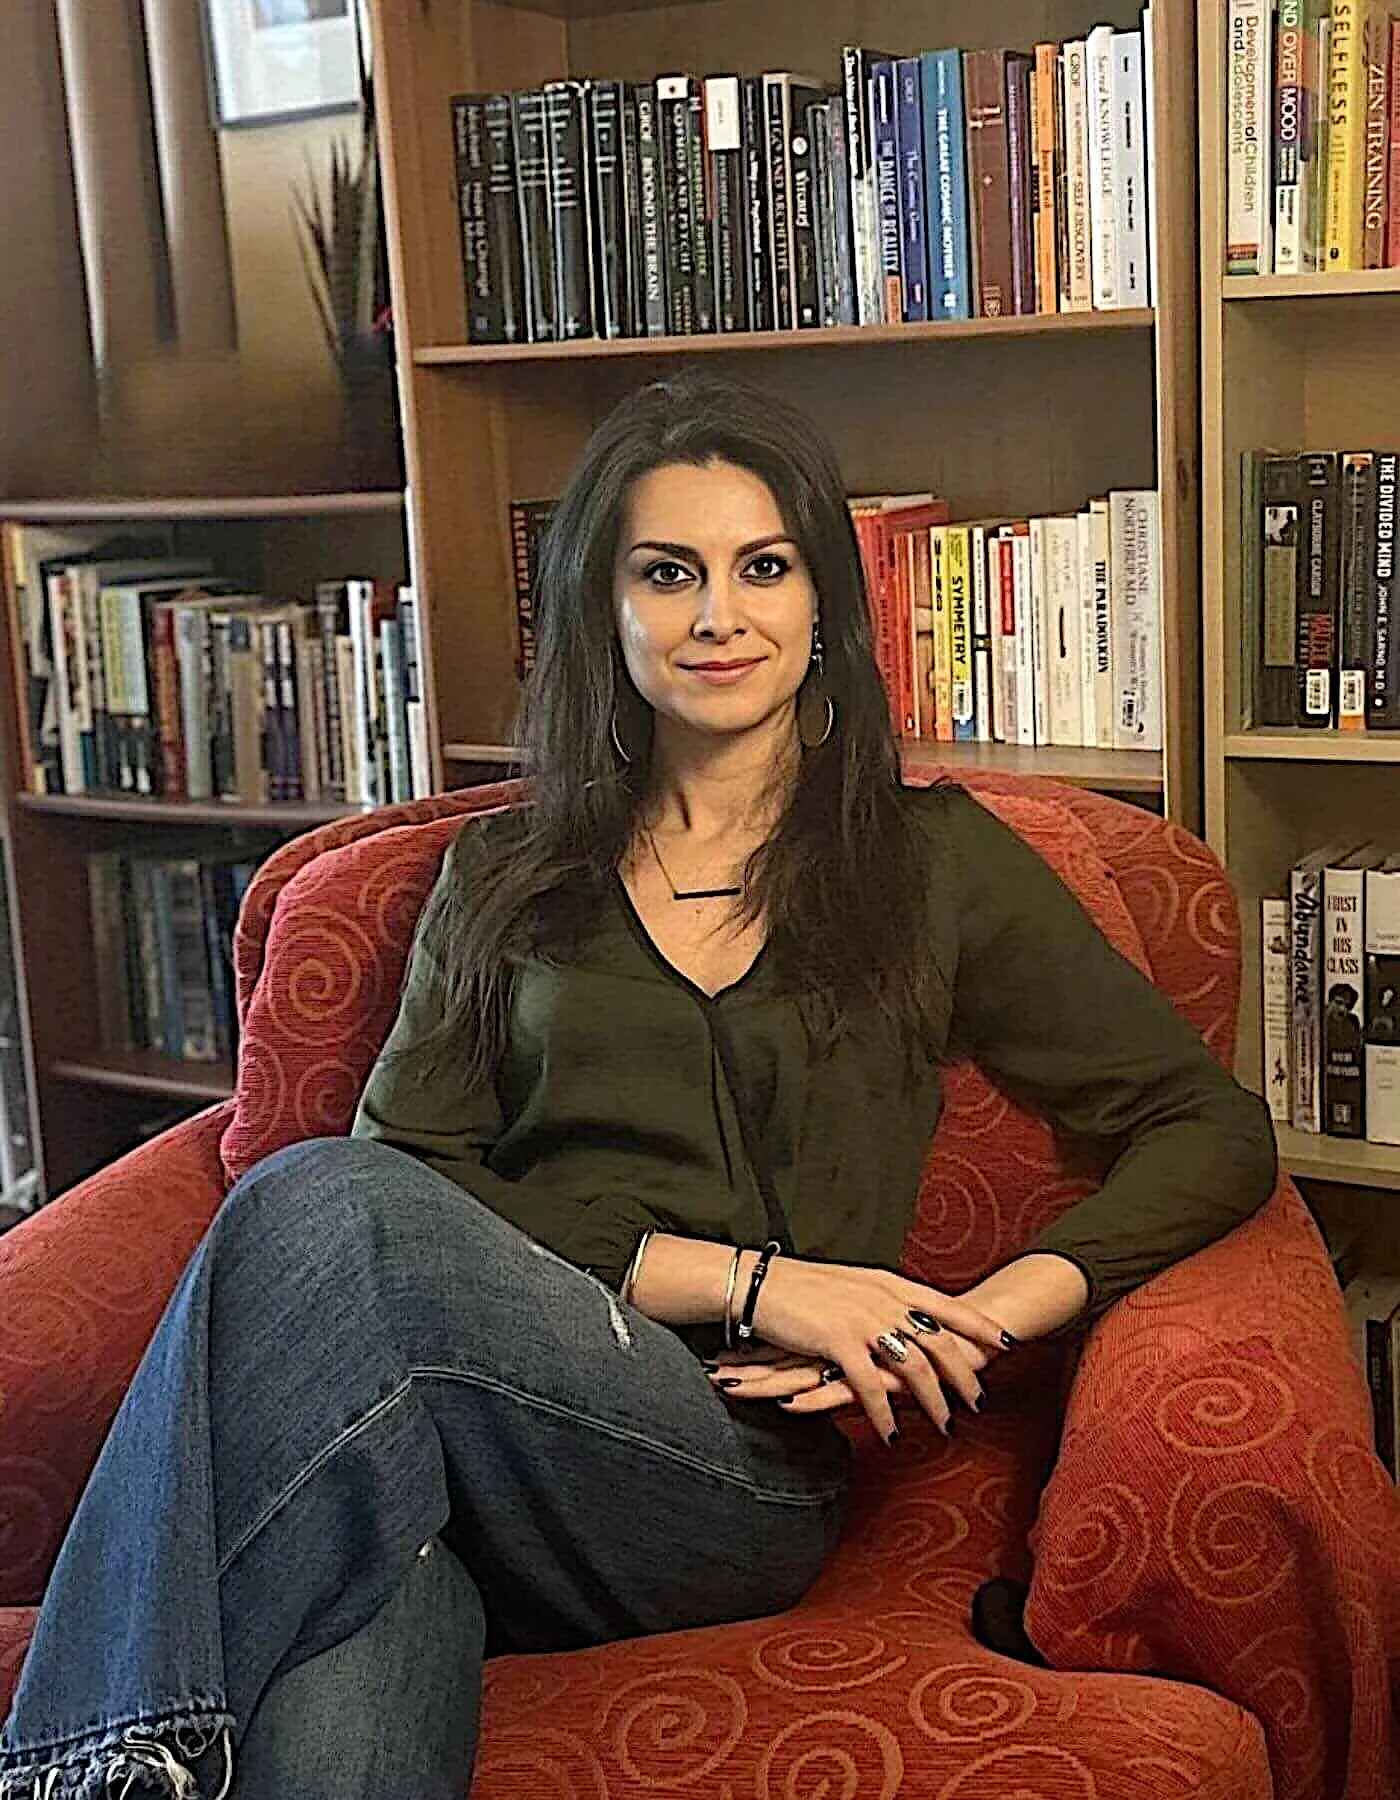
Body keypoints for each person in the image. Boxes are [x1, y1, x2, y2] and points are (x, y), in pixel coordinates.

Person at [0, 374, 1278, 1800]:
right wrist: (745, 1277)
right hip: (457, 1461)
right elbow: (414, 1177)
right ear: (605, 610)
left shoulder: (933, 866)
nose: (718, 615)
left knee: (323, 1206)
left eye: (763, 567)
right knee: (354, 1593)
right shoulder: (502, 882)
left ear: (823, 605)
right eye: (667, 573)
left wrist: (971, 1315)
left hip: (718, 1476)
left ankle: (79, 1762)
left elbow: (1208, 1131)